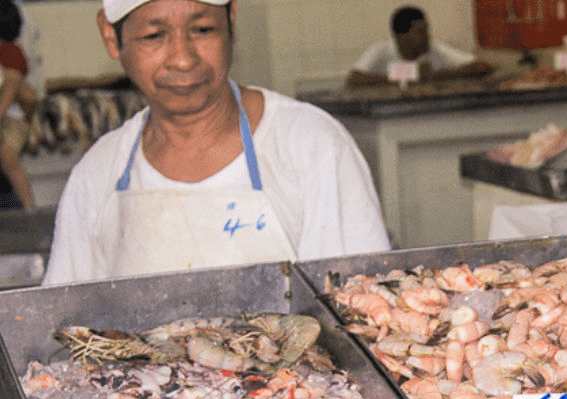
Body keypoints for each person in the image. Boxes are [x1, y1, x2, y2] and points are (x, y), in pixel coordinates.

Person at [43, 0, 391, 286]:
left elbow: (360, 311)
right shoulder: (97, 174)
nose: (183, 58)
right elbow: (63, 329)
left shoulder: (311, 146)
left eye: (203, 30)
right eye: (154, 36)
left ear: (232, 23)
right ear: (110, 36)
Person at [346, 6, 493, 88]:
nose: (427, 36)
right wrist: (410, 73)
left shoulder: (435, 49)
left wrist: (434, 76)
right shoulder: (380, 51)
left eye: (426, 30)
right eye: (420, 32)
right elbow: (354, 79)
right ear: (400, 36)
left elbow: (482, 67)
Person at [0, 0, 36, 209]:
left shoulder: (11, 53)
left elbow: (11, 89)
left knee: (8, 157)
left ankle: (29, 209)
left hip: (12, 118)